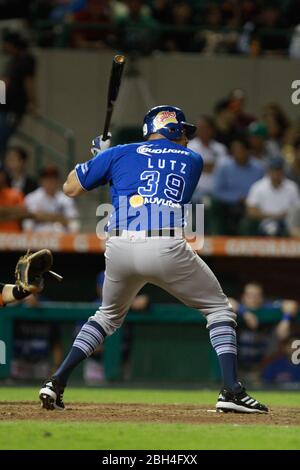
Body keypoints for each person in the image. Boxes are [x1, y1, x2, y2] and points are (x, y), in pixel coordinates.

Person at [39, 104, 268, 414]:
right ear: (171, 129)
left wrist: (98, 157)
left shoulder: (119, 151)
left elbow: (70, 188)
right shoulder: (194, 159)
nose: (186, 139)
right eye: (183, 132)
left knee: (106, 317)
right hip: (164, 243)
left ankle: (56, 382)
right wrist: (108, 158)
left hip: (119, 246)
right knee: (219, 310)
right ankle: (231, 389)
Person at [212, 137, 264, 234]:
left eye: (239, 150)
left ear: (248, 151)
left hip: (252, 204)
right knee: (214, 204)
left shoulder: (258, 168)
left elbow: (264, 188)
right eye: (234, 150)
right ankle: (219, 237)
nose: (236, 153)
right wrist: (237, 198)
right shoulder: (224, 166)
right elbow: (217, 191)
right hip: (228, 204)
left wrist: (250, 200)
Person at [0, 31, 37, 158]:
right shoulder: (12, 60)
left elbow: (29, 82)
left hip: (13, 108)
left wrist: (33, 104)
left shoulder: (26, 59)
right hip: (4, 107)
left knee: (1, 139)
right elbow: (4, 82)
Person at [246, 156, 300, 236]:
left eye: (278, 170)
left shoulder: (291, 187)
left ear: (283, 171)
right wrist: (274, 216)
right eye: (273, 170)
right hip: (265, 221)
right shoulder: (258, 187)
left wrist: (287, 215)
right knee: (272, 230)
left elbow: (297, 208)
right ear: (268, 171)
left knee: (295, 230)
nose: (276, 173)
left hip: (287, 222)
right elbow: (251, 211)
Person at [23, 165, 80, 233]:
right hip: (38, 236)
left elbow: (72, 221)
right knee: (27, 223)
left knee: (74, 225)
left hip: (61, 237)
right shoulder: (32, 197)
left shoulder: (66, 199)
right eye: (46, 179)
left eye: (52, 179)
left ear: (57, 181)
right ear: (41, 181)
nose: (49, 182)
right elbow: (29, 220)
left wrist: (43, 216)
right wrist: (58, 218)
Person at [188, 115, 228, 201]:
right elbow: (191, 167)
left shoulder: (220, 148)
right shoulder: (189, 147)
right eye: (200, 128)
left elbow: (223, 168)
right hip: (196, 192)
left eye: (205, 128)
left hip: (218, 192)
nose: (202, 131)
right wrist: (210, 165)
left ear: (212, 130)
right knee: (199, 212)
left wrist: (202, 165)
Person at [0, 163, 28, 233]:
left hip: (14, 238)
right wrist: (13, 211)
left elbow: (23, 212)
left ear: (4, 175)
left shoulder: (15, 193)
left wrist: (2, 212)